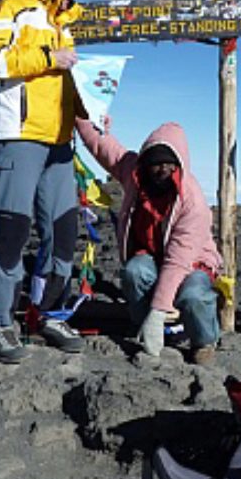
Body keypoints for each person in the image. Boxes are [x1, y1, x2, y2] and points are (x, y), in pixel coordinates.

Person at [0, 0, 86, 363]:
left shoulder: (63, 25)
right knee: (12, 230)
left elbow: (64, 81)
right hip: (17, 135)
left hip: (58, 140)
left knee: (63, 232)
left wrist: (88, 112)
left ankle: (50, 313)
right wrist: (46, 57)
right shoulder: (13, 10)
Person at [75, 116, 222, 364]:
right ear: (145, 164)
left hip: (191, 263)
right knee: (134, 272)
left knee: (193, 296)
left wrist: (159, 311)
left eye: (169, 164)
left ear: (179, 165)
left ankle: (204, 340)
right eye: (155, 164)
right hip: (152, 256)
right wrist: (81, 112)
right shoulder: (134, 173)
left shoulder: (192, 202)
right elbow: (101, 146)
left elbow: (178, 262)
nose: (162, 170)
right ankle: (147, 331)